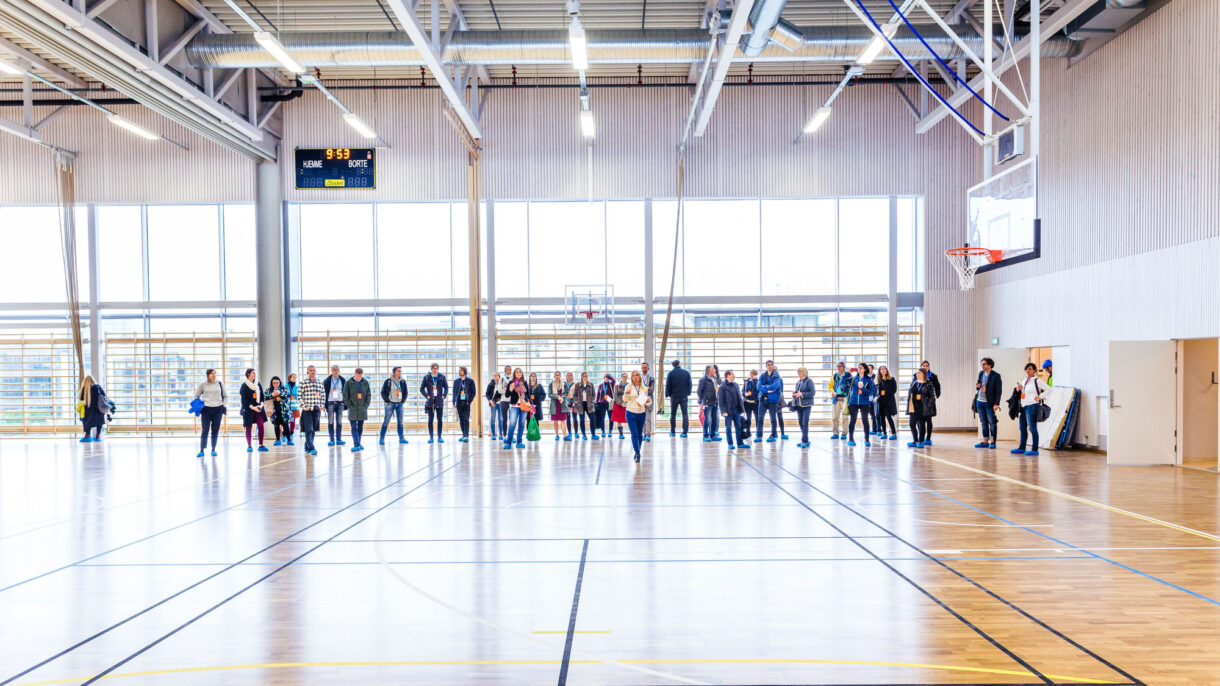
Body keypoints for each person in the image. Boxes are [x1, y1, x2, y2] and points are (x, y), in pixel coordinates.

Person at [1014, 362, 1046, 456]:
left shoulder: (1037, 381)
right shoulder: (1024, 380)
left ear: (1034, 370)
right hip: (1023, 406)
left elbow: (1049, 389)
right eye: (1026, 369)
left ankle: (1034, 449)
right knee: (1022, 427)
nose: (1028, 370)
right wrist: (1018, 389)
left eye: (1030, 369)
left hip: (1032, 406)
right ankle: (1021, 447)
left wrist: (1040, 397)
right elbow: (1022, 393)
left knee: (1032, 428)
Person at [193, 369, 226, 457]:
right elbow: (196, 396)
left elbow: (225, 396)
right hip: (206, 410)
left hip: (218, 409)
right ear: (208, 375)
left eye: (215, 373)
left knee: (215, 431)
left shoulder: (220, 383)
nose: (214, 375)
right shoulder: (203, 385)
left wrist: (224, 404)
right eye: (212, 373)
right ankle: (201, 450)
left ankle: (213, 449)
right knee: (205, 430)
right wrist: (198, 405)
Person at [975, 357, 1003, 449]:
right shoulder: (981, 373)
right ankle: (985, 441)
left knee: (992, 422)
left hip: (989, 403)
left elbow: (998, 391)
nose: (982, 365)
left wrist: (996, 404)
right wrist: (978, 386)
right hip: (980, 401)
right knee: (983, 422)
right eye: (982, 364)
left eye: (984, 364)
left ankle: (993, 441)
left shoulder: (996, 376)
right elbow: (979, 386)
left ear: (989, 365)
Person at [757, 360, 788, 442]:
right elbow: (758, 386)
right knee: (760, 418)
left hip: (773, 400)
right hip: (763, 400)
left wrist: (765, 387)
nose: (770, 366)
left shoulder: (777, 376)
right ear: (766, 366)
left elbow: (775, 386)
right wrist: (767, 390)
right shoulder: (763, 375)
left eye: (771, 365)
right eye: (768, 365)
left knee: (773, 419)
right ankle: (759, 435)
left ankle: (773, 435)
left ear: (773, 366)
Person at [623, 370, 650, 462]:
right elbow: (625, 399)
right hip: (630, 413)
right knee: (634, 434)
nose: (635, 377)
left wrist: (648, 400)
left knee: (639, 435)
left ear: (639, 377)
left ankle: (637, 450)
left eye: (636, 375)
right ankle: (637, 453)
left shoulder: (644, 388)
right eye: (633, 375)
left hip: (641, 413)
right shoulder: (628, 386)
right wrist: (627, 393)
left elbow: (648, 402)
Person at [846, 361, 875, 447]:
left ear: (865, 369)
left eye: (861, 367)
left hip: (864, 403)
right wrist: (849, 372)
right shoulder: (854, 378)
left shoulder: (869, 380)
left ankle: (867, 439)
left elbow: (871, 392)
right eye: (858, 367)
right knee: (853, 420)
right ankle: (851, 439)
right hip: (853, 402)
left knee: (865, 420)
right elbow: (844, 380)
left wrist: (863, 388)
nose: (859, 369)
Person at [717, 370, 748, 450]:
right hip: (728, 412)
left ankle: (740, 443)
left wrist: (741, 409)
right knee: (728, 428)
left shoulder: (736, 385)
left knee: (738, 426)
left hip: (737, 410)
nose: (734, 375)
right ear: (728, 375)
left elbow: (739, 398)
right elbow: (720, 401)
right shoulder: (722, 387)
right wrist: (723, 411)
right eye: (732, 374)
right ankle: (730, 443)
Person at [913, 361, 942, 444]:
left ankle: (928, 438)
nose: (925, 367)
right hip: (918, 403)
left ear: (929, 367)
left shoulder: (933, 376)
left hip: (929, 402)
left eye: (927, 366)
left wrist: (936, 396)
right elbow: (912, 387)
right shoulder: (916, 375)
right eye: (923, 366)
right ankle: (920, 437)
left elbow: (938, 387)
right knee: (919, 420)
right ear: (921, 367)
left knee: (928, 420)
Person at [297, 365, 324, 456]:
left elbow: (323, 396)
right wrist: (303, 406)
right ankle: (312, 447)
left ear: (316, 372)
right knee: (308, 429)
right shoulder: (303, 383)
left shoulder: (320, 383)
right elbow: (299, 396)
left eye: (313, 370)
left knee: (313, 430)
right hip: (307, 410)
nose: (312, 372)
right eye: (310, 370)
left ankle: (307, 446)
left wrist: (321, 406)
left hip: (316, 410)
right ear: (307, 372)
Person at [906, 369, 937, 447]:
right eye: (917, 373)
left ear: (924, 374)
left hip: (923, 407)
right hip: (914, 407)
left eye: (919, 373)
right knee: (912, 424)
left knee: (922, 425)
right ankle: (915, 440)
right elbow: (910, 394)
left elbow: (932, 397)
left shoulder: (929, 384)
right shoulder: (914, 383)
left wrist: (928, 405)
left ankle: (920, 441)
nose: (917, 374)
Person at [380, 366, 409, 445]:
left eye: (400, 371)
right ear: (394, 372)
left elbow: (406, 392)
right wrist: (387, 401)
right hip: (390, 403)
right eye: (398, 371)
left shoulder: (402, 381)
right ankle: (382, 438)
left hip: (399, 404)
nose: (400, 372)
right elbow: (382, 392)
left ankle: (401, 438)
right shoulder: (388, 381)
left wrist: (403, 401)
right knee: (386, 421)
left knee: (400, 422)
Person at [240, 368, 268, 453]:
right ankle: (249, 446)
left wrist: (261, 405)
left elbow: (262, 396)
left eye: (255, 373)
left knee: (261, 425)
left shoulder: (257, 383)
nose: (255, 375)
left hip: (258, 409)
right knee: (248, 427)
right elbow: (244, 400)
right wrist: (253, 407)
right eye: (253, 373)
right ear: (248, 374)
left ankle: (261, 445)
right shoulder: (244, 385)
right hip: (248, 409)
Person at [343, 367, 371, 452]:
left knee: (360, 427)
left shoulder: (365, 382)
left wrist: (366, 405)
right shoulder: (348, 382)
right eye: (357, 376)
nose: (359, 378)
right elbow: (345, 395)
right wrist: (349, 405)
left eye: (360, 376)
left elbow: (368, 395)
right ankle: (356, 444)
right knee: (353, 427)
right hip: (353, 408)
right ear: (355, 374)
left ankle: (358, 442)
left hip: (362, 408)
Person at [421, 363, 448, 444]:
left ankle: (439, 437)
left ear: (438, 369)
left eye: (436, 368)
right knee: (430, 420)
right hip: (430, 402)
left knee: (440, 420)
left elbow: (446, 388)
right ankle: (431, 437)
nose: (435, 369)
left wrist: (443, 396)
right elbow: (421, 389)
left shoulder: (442, 377)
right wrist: (427, 396)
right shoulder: (427, 377)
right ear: (431, 369)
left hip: (439, 401)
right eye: (433, 368)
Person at [665, 359, 692, 437]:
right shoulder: (686, 373)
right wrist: (688, 393)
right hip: (684, 396)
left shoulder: (670, 374)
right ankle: (685, 432)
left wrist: (669, 394)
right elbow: (690, 384)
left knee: (673, 414)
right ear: (679, 364)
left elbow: (668, 385)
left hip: (674, 396)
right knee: (685, 414)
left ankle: (673, 431)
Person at [503, 368, 529, 449]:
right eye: (517, 372)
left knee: (521, 424)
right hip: (514, 406)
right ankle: (508, 443)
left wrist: (529, 403)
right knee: (512, 424)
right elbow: (507, 395)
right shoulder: (511, 383)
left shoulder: (524, 382)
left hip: (523, 406)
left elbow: (528, 394)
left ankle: (519, 442)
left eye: (520, 372)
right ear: (514, 374)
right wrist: (510, 389)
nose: (519, 373)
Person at [323, 365, 346, 446]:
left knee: (339, 422)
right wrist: (324, 404)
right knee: (331, 422)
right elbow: (324, 393)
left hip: (340, 403)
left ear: (339, 371)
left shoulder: (342, 380)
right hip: (330, 403)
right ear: (331, 371)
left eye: (337, 370)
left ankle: (339, 439)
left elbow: (345, 392)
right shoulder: (327, 380)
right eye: (334, 370)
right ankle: (332, 439)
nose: (336, 371)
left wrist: (344, 401)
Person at [792, 367, 815, 448]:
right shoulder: (798, 382)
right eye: (798, 372)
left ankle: (804, 440)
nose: (799, 373)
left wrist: (802, 394)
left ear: (804, 372)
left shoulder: (809, 381)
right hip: (799, 405)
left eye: (800, 372)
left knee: (804, 423)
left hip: (806, 405)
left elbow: (812, 393)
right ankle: (806, 440)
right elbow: (797, 392)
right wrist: (795, 394)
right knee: (800, 423)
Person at [697, 365, 721, 442]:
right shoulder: (703, 380)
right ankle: (705, 435)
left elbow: (720, 383)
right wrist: (702, 400)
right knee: (707, 420)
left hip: (715, 402)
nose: (715, 371)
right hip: (707, 403)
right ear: (709, 371)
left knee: (714, 420)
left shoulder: (714, 378)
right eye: (714, 370)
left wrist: (718, 375)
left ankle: (713, 435)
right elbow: (699, 391)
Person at [267, 376, 293, 446]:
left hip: (284, 410)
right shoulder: (269, 390)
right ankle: (277, 440)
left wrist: (280, 393)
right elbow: (265, 397)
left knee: (285, 425)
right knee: (276, 425)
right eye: (274, 383)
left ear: (280, 383)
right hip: (274, 411)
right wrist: (271, 395)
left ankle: (289, 440)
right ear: (272, 383)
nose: (275, 384)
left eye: (277, 383)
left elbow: (288, 395)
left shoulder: (283, 389)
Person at [453, 366, 477, 442]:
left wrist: (469, 400)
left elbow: (473, 392)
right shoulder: (456, 381)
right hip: (459, 402)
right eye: (459, 371)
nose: (460, 372)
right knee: (461, 419)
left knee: (466, 419)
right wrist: (454, 402)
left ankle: (466, 435)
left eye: (461, 370)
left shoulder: (470, 381)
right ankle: (463, 434)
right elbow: (454, 393)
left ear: (465, 372)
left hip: (466, 403)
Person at [570, 372, 597, 440]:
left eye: (586, 376)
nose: (585, 377)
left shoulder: (591, 384)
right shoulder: (578, 385)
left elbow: (594, 394)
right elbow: (574, 395)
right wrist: (576, 402)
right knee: (582, 420)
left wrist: (592, 401)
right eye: (584, 376)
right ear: (582, 377)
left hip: (589, 404)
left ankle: (593, 434)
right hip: (580, 404)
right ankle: (584, 435)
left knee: (592, 419)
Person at [875, 366, 898, 440]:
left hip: (888, 401)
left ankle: (894, 433)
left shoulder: (891, 379)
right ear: (880, 371)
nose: (884, 370)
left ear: (887, 370)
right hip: (880, 401)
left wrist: (886, 392)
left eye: (885, 369)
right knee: (882, 418)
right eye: (882, 369)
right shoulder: (878, 380)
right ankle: (884, 433)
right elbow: (875, 391)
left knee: (888, 417)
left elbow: (894, 390)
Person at [548, 371, 571, 441]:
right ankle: (557, 435)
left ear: (560, 376)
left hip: (562, 404)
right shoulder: (551, 384)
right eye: (556, 375)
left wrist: (562, 397)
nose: (557, 376)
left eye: (559, 375)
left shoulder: (564, 384)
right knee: (555, 421)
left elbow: (567, 393)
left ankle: (565, 435)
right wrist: (557, 397)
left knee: (563, 421)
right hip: (554, 405)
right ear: (554, 376)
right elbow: (549, 394)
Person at [829, 362, 848, 439]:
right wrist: (833, 392)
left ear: (843, 367)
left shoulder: (848, 375)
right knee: (835, 417)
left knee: (845, 417)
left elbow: (851, 386)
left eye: (840, 366)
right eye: (837, 366)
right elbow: (830, 386)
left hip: (845, 399)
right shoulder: (835, 376)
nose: (838, 368)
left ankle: (844, 433)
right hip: (836, 399)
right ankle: (835, 433)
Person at [527, 372, 547, 438]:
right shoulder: (527, 386)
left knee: (536, 420)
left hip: (537, 406)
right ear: (530, 378)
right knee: (529, 420)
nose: (533, 377)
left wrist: (540, 400)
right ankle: (530, 435)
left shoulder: (539, 386)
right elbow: (524, 395)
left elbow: (544, 395)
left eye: (534, 376)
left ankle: (536, 435)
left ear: (536, 378)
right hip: (529, 406)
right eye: (532, 376)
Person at [596, 374, 615, 439]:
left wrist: (609, 376)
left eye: (608, 378)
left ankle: (610, 431)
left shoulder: (611, 385)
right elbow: (598, 395)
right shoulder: (600, 386)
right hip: (602, 403)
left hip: (610, 403)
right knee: (602, 418)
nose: (606, 379)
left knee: (611, 418)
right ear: (603, 378)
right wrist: (597, 402)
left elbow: (614, 380)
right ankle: (603, 431)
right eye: (605, 377)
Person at [485, 372, 503, 440]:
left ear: (499, 376)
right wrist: (490, 401)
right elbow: (487, 394)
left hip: (500, 403)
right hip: (493, 403)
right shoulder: (490, 384)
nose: (495, 376)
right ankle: (493, 434)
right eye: (494, 375)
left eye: (496, 375)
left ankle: (501, 434)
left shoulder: (502, 384)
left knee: (500, 419)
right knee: (492, 419)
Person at [742, 370, 759, 440]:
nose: (752, 375)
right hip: (747, 403)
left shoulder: (757, 382)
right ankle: (748, 432)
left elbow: (757, 390)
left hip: (755, 403)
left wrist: (754, 381)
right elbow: (743, 391)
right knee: (748, 418)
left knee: (757, 418)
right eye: (751, 374)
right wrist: (744, 394)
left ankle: (758, 432)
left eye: (754, 374)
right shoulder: (746, 382)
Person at [610, 372, 628, 439]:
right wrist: (621, 403)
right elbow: (616, 396)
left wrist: (625, 403)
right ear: (621, 377)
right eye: (623, 376)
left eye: (626, 377)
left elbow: (629, 396)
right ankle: (621, 434)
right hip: (618, 404)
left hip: (627, 404)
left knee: (629, 419)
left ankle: (633, 433)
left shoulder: (629, 386)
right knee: (619, 420)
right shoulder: (617, 386)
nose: (624, 378)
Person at [640, 362, 655, 441]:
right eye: (643, 367)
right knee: (642, 419)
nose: (644, 369)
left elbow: (651, 390)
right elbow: (638, 390)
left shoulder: (652, 378)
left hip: (649, 399)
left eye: (646, 367)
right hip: (641, 399)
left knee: (648, 419)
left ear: (648, 369)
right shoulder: (639, 378)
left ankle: (648, 435)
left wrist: (644, 388)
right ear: (641, 368)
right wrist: (646, 387)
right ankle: (643, 434)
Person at [497, 365, 512, 440]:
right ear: (505, 371)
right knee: (504, 419)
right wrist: (508, 390)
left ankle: (511, 436)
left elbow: (515, 390)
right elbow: (499, 390)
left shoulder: (514, 379)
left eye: (509, 370)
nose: (508, 371)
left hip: (512, 401)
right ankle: (505, 436)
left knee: (512, 420)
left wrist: (505, 389)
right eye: (507, 370)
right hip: (503, 401)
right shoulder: (502, 379)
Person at [563, 372, 577, 438]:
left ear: (572, 376)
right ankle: (570, 433)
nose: (569, 376)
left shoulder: (575, 384)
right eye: (567, 375)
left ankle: (576, 433)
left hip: (573, 402)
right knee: (568, 418)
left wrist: (575, 401)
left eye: (570, 375)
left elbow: (577, 394)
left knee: (575, 418)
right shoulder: (564, 384)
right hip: (567, 402)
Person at [285, 373, 299, 438]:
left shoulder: (297, 387)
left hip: (294, 406)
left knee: (293, 421)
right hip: (286, 406)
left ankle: (291, 434)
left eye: (295, 377)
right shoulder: (285, 386)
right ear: (289, 378)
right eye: (293, 377)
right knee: (286, 421)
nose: (295, 379)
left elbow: (298, 396)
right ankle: (285, 434)